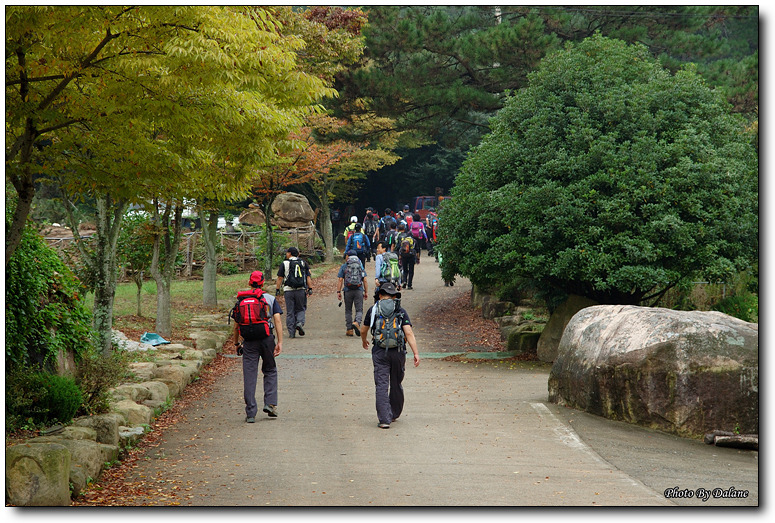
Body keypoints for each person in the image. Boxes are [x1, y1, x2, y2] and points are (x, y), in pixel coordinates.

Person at [360, 282, 420, 429]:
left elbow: (363, 330)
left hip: (380, 351)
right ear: (394, 296)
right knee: (396, 382)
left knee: (381, 384)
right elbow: (408, 332)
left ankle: (384, 420)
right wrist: (416, 353)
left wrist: (364, 340)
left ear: (380, 295)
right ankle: (394, 413)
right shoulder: (400, 310)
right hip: (398, 352)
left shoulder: (373, 310)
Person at [231, 271, 283, 422]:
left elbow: (236, 326)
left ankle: (250, 413)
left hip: (249, 341)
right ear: (263, 282)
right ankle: (270, 404)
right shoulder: (270, 299)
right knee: (270, 370)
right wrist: (279, 342)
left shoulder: (241, 300)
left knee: (249, 374)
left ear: (249, 283)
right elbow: (277, 320)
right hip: (267, 339)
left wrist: (236, 343)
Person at [275, 247, 312, 338]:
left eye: (287, 253)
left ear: (290, 253)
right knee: (301, 308)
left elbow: (280, 278)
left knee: (290, 311)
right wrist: (310, 288)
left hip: (288, 290)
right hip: (301, 289)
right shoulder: (303, 263)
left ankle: (291, 332)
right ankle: (299, 323)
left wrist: (277, 289)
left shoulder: (284, 263)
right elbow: (308, 276)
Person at [337, 250, 368, 336]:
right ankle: (357, 322)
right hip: (359, 290)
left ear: (348, 256)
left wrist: (338, 291)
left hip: (348, 290)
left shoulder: (344, 266)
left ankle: (349, 329)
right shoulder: (360, 266)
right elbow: (365, 280)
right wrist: (366, 292)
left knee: (348, 310)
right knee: (359, 309)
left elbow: (340, 279)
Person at [396, 223, 416, 289]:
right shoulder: (414, 241)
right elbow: (417, 250)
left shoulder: (403, 240)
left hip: (404, 255)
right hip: (411, 256)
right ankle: (409, 284)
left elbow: (399, 248)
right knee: (411, 270)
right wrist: (418, 257)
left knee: (405, 270)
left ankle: (404, 281)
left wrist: (400, 255)